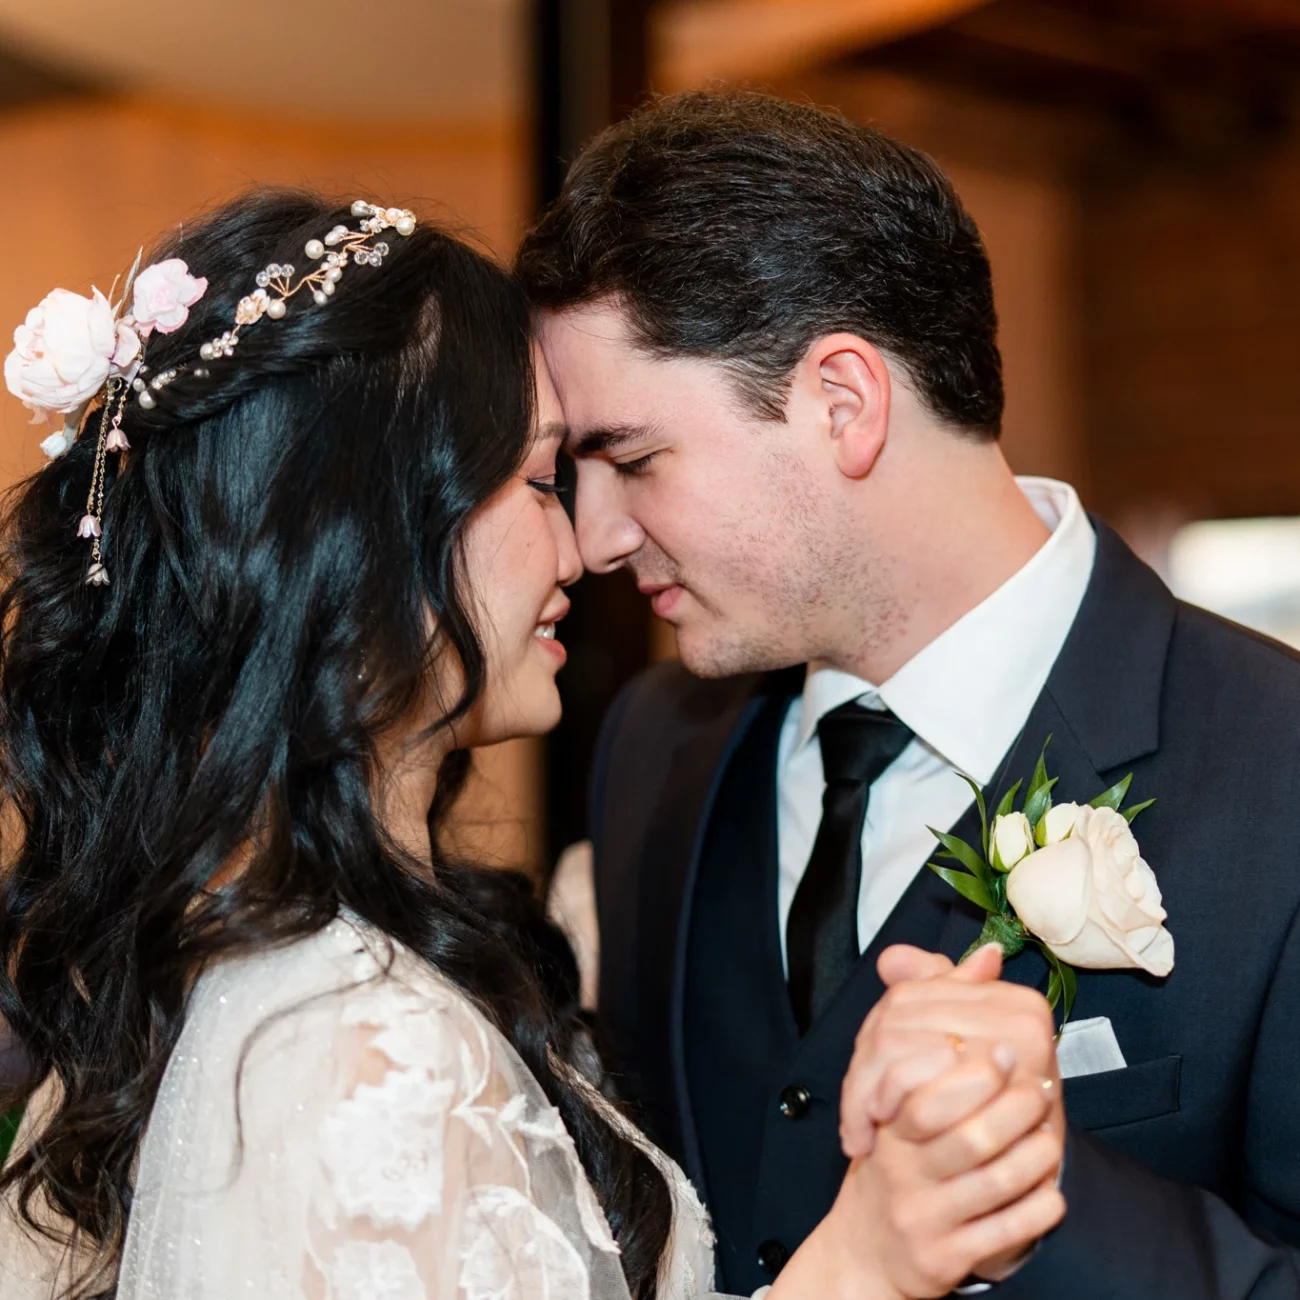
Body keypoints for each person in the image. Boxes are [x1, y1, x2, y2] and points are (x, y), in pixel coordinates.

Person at [0, 190, 1060, 1300]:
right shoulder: (359, 1049)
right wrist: (860, 1268)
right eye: (545, 476)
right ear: (371, 541)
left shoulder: (222, 971)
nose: (586, 544)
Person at [518, 89, 1300, 1299]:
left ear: (842, 401)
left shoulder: (1278, 770)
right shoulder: (652, 744)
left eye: (629, 459)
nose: (597, 537)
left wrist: (1028, 1189)